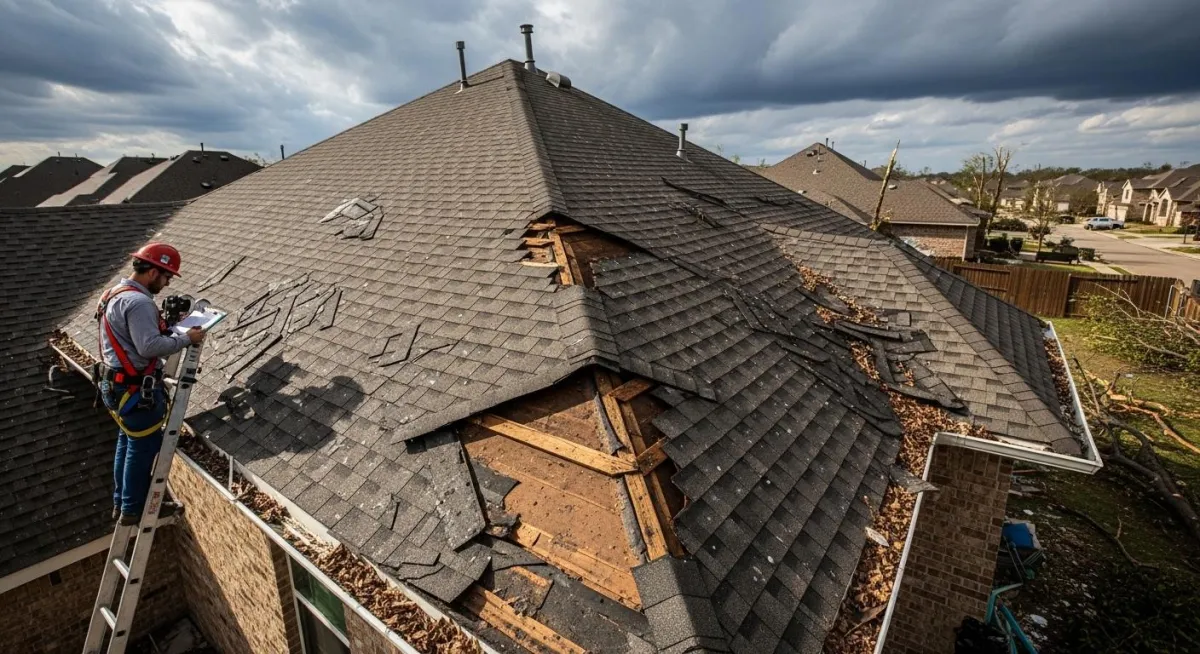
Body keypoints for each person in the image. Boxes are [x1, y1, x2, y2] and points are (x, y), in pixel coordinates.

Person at [96, 243, 205, 525]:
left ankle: (123, 504)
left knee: (129, 443)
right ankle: (135, 509)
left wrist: (171, 328)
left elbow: (136, 338)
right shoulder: (139, 302)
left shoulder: (114, 294)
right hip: (134, 388)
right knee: (143, 447)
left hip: (116, 385)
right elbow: (149, 347)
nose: (167, 283)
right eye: (166, 276)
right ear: (153, 271)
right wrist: (186, 339)